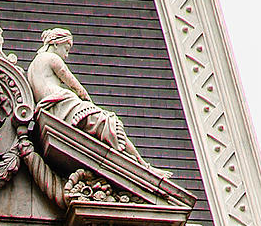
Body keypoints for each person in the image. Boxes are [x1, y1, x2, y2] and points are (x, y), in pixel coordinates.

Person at [28, 28, 166, 175]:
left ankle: (140, 163)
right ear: (56, 44)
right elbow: (75, 86)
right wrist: (89, 102)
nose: (66, 55)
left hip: (50, 108)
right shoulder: (52, 58)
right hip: (62, 105)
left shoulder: (32, 66)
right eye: (66, 49)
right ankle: (142, 166)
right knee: (108, 121)